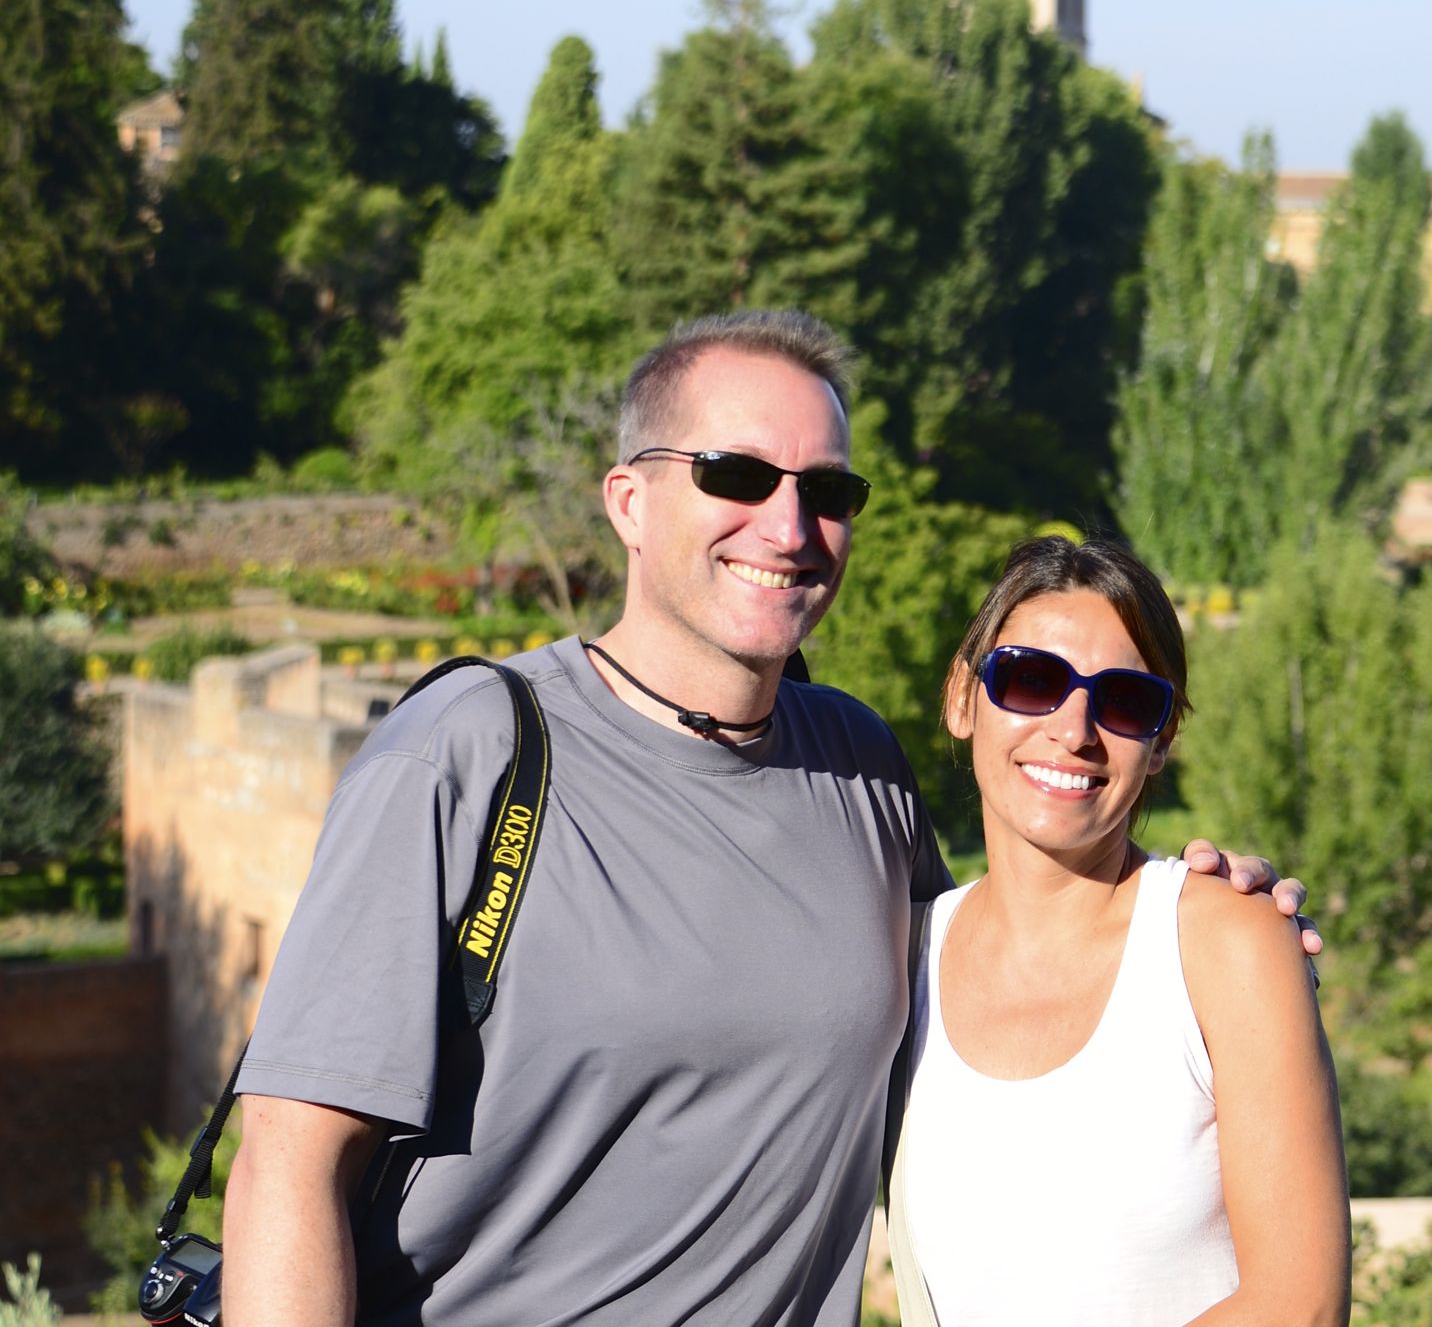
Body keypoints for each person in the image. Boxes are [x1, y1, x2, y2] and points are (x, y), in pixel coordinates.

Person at [224, 312, 1313, 1327]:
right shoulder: (468, 754)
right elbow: (287, 1161)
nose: (788, 527)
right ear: (628, 502)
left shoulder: (859, 770)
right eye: (736, 475)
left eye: (828, 491)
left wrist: (1211, 921)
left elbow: (1025, 960)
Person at [884, 535, 1349, 1327]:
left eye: (1126, 701)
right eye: (1032, 679)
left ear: (1161, 741)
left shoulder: (1224, 943)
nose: (1075, 729)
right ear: (962, 698)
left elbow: (1299, 1305)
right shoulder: (899, 960)